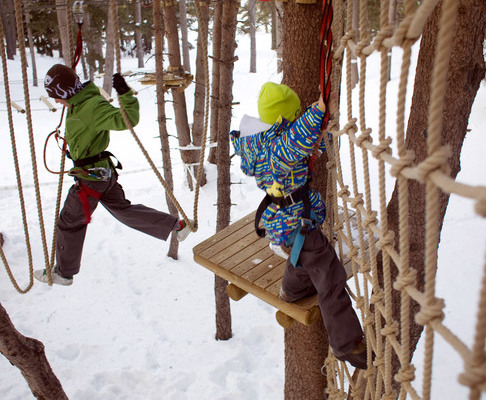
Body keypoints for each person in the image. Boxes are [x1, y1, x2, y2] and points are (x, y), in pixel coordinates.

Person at [230, 82, 367, 369]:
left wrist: (315, 113)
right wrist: (319, 109)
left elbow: (295, 132)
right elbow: (297, 137)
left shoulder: (261, 140)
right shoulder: (280, 148)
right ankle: (346, 343)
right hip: (293, 221)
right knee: (329, 272)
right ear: (283, 120)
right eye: (292, 117)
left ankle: (291, 291)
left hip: (287, 221)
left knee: (304, 259)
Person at [34, 64, 192, 287]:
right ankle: (177, 225)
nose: (57, 102)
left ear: (65, 91)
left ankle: (64, 272)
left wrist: (125, 94)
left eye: (56, 96)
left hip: (92, 179)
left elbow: (127, 120)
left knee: (70, 221)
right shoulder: (76, 104)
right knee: (124, 210)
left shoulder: (91, 107)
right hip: (102, 174)